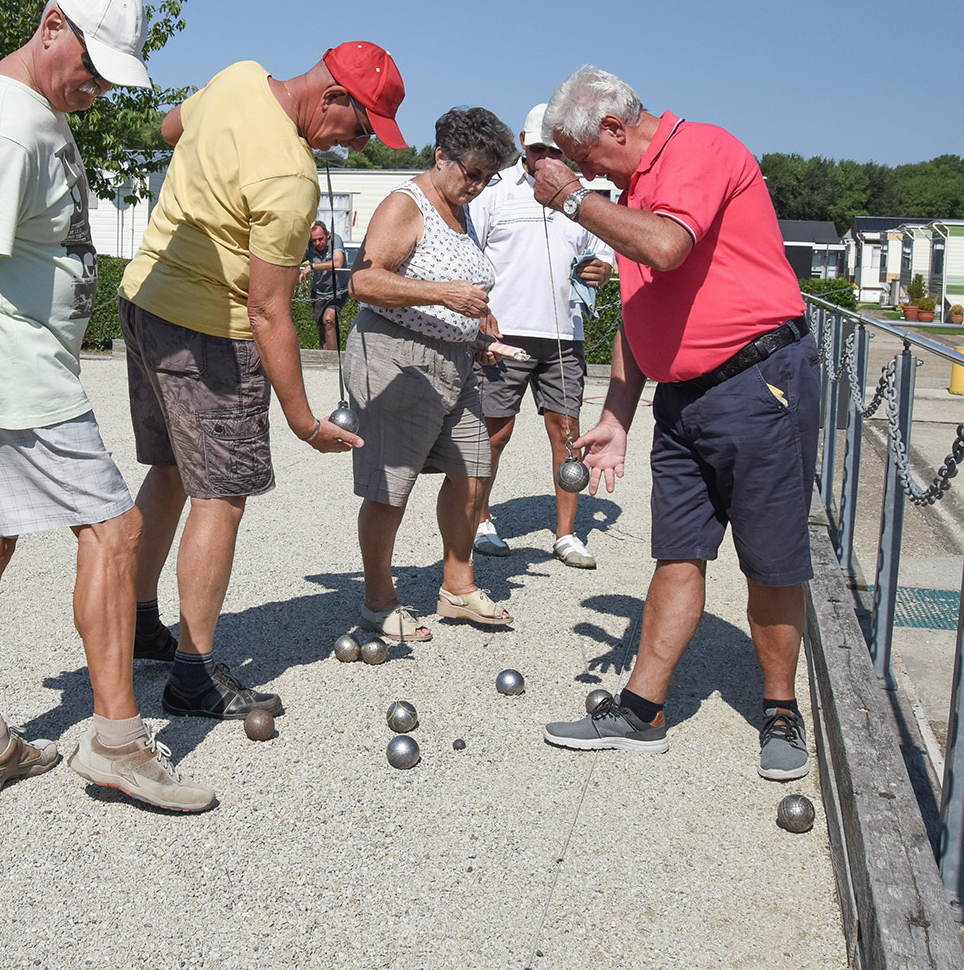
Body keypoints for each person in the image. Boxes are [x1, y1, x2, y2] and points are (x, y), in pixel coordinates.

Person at [0, 0, 215, 813]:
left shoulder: (23, 108)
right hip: (19, 377)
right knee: (115, 531)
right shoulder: (10, 134)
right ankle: (115, 742)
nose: (98, 89)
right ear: (50, 25)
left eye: (112, 75)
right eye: (92, 68)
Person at [531, 66, 819, 782]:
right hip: (684, 401)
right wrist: (619, 414)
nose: (588, 174)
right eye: (580, 171)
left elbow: (665, 248)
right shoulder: (632, 194)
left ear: (614, 129)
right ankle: (642, 710)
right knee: (679, 552)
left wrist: (570, 199)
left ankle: (781, 709)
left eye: (588, 158)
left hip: (760, 383)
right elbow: (641, 312)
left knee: (772, 558)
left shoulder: (702, 152)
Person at [121, 42, 400, 718]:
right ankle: (192, 676)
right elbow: (270, 310)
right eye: (359, 127)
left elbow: (168, 128)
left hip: (143, 298)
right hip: (207, 331)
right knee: (221, 498)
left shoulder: (239, 77)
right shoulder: (290, 176)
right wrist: (305, 421)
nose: (356, 146)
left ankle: (133, 622)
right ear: (333, 97)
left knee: (168, 470)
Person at [344, 107, 521, 641]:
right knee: (389, 486)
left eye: (487, 178)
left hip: (457, 364)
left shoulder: (460, 210)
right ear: (441, 155)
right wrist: (444, 294)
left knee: (473, 470)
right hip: (397, 359)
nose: (478, 185)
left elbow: (461, 295)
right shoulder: (407, 204)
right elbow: (364, 282)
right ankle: (379, 600)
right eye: (472, 173)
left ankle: (457, 587)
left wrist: (479, 336)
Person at [467, 102, 615, 569]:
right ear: (523, 147)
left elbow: (602, 256)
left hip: (562, 336)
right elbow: (471, 257)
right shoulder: (495, 191)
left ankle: (566, 534)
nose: (547, 157)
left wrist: (601, 270)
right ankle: (481, 520)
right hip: (505, 332)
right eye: (538, 148)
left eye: (556, 148)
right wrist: (481, 318)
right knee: (494, 433)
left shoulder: (584, 193)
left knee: (567, 435)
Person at [299, 218, 349, 351]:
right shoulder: (309, 244)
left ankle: (332, 362)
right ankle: (324, 358)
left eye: (321, 239)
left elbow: (338, 262)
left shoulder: (335, 240)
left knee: (329, 319)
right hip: (319, 292)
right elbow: (295, 258)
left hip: (338, 290)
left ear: (327, 235)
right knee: (322, 326)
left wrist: (312, 266)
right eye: (314, 240)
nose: (318, 243)